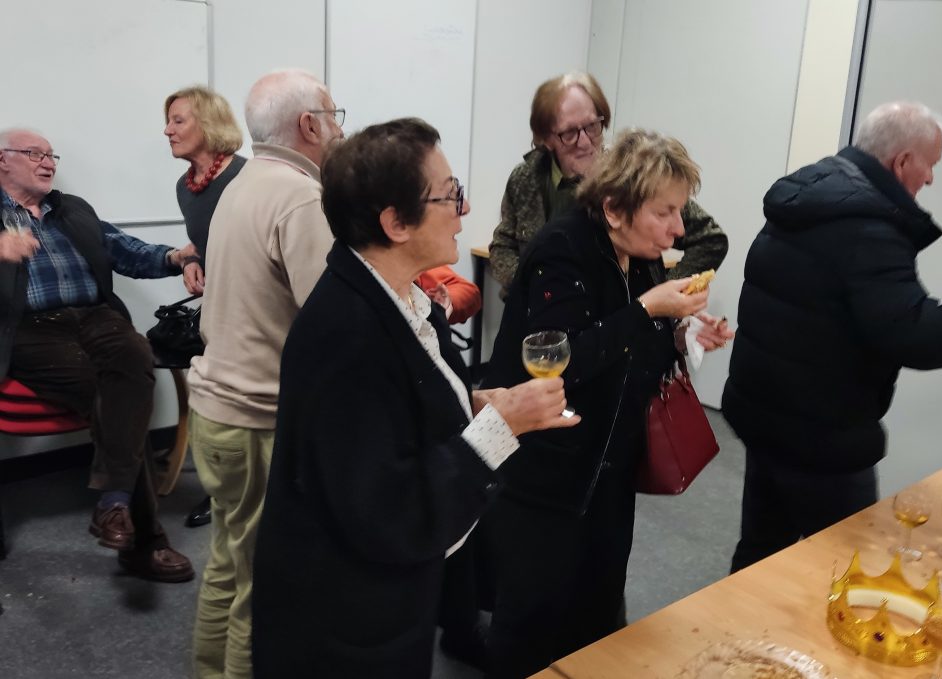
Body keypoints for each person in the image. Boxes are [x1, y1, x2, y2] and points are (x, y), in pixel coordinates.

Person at [250, 117, 578, 679]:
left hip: (383, 602)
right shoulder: (347, 333)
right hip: (342, 629)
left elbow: (398, 416)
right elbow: (388, 509)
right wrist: (501, 428)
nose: (463, 210)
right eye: (449, 196)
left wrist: (474, 406)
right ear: (395, 223)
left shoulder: (397, 298)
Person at [722, 101, 942, 573]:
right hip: (821, 435)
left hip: (766, 414)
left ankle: (737, 617)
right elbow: (919, 336)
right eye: (931, 165)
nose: (931, 179)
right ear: (902, 161)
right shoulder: (867, 227)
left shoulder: (813, 194)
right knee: (851, 567)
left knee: (762, 550)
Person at [481, 128, 733, 678]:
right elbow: (560, 361)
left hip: (609, 468)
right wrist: (648, 309)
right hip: (545, 477)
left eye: (679, 211)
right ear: (615, 208)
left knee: (597, 616)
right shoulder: (562, 249)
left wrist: (681, 332)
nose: (679, 229)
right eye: (665, 212)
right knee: (530, 625)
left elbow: (629, 347)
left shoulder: (640, 256)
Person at [185, 69, 342, 679]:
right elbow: (330, 317)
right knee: (266, 584)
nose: (339, 129)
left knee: (229, 565)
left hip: (215, 413)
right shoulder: (300, 197)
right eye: (334, 115)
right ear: (309, 125)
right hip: (258, 423)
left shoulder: (242, 183)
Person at [0, 128, 195, 582]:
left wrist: (175, 256)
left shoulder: (71, 209)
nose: (48, 162)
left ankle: (113, 502)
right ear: (2, 160)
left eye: (52, 155)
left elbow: (122, 248)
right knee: (114, 397)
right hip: (29, 329)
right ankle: (145, 543)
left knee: (134, 356)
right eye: (34, 153)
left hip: (96, 316)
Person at [488, 72, 728, 296]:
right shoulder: (525, 179)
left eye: (592, 127)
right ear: (546, 139)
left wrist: (664, 296)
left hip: (618, 319)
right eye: (569, 133)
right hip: (541, 316)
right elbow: (502, 245)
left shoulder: (628, 175)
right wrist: (532, 289)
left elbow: (710, 239)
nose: (585, 142)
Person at [163, 85, 248, 529]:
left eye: (178, 120)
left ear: (209, 123)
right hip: (220, 309)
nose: (167, 130)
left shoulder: (248, 177)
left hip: (257, 312)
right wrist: (192, 260)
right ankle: (224, 492)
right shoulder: (185, 186)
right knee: (220, 403)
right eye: (168, 121)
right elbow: (203, 239)